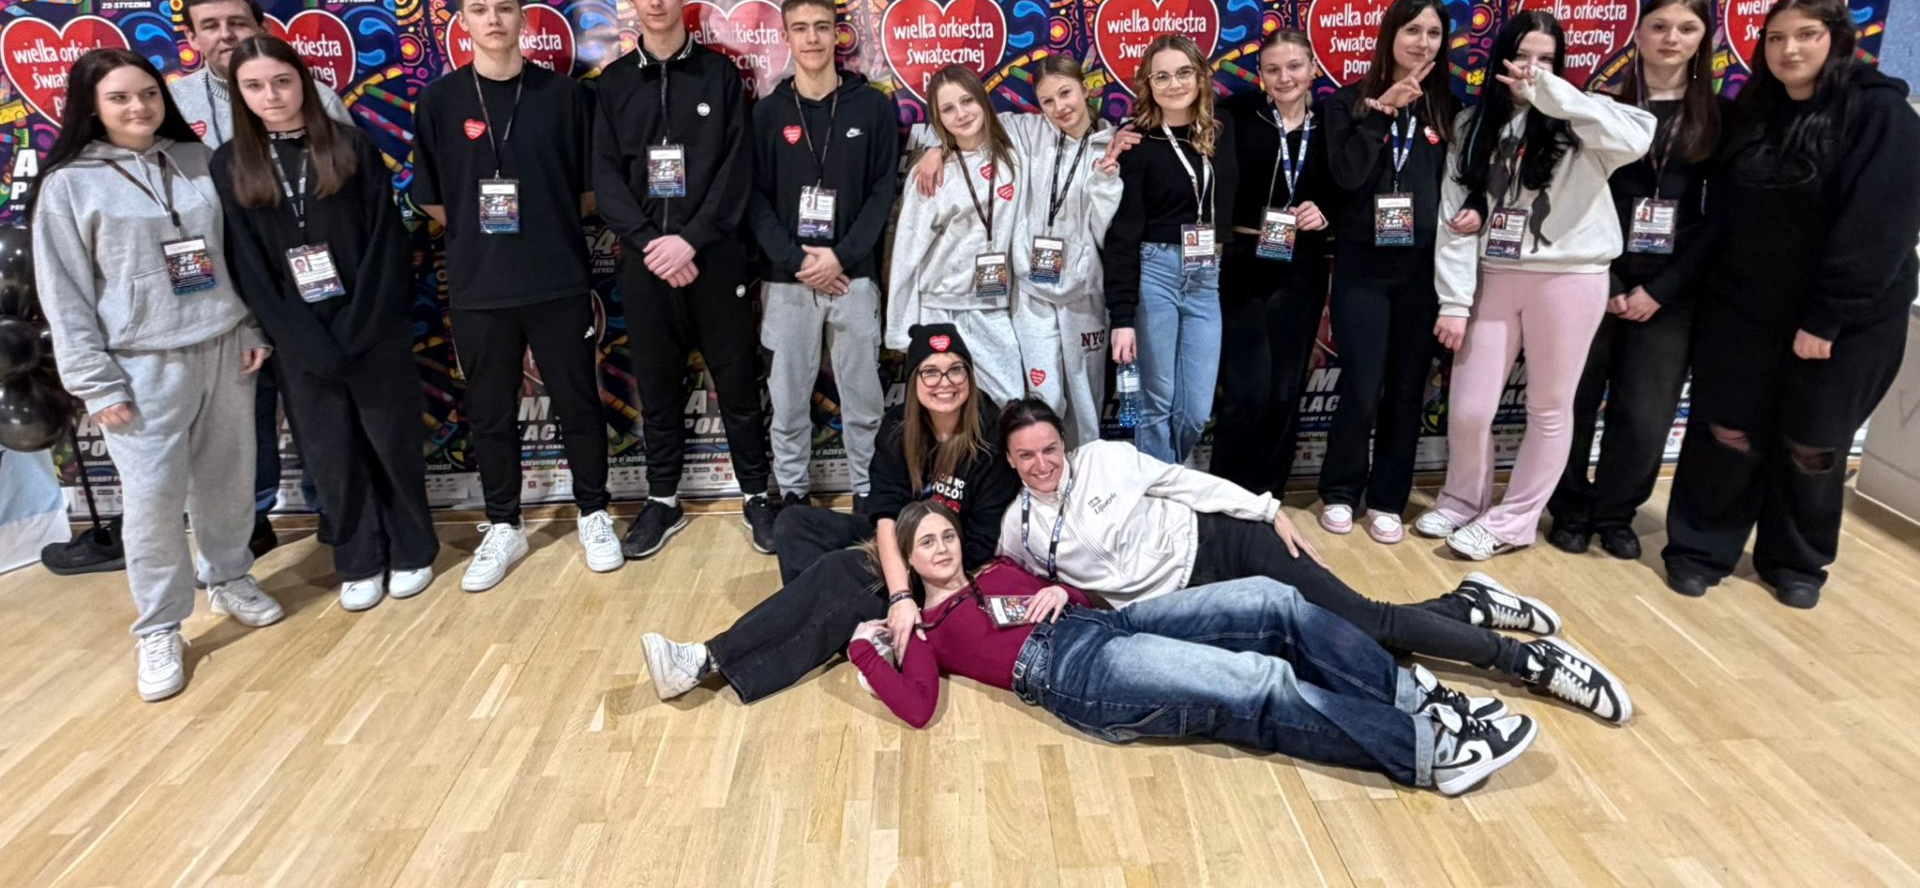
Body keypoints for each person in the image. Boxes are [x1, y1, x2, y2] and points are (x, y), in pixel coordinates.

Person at [996, 397, 1633, 723]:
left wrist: (1266, 509)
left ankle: (1524, 660)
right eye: (1027, 456)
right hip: (1185, 605)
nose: (1043, 464)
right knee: (1338, 649)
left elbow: (1187, 484)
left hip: (1225, 543)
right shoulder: (1017, 528)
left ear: (1064, 442)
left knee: (1369, 623)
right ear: (1011, 461)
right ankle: (1468, 604)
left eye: (1050, 449)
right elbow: (1015, 582)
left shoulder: (1105, 458)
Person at [850, 501, 1538, 797]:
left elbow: (1080, 595)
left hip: (1106, 625)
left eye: (946, 535)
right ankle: (1426, 751)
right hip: (1075, 670)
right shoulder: (924, 631)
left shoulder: (999, 569)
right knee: (1258, 681)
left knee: (1270, 597)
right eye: (926, 543)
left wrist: (1063, 591)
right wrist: (865, 650)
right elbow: (917, 706)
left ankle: (1416, 697)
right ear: (909, 559)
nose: (942, 548)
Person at [32, 48, 285, 701]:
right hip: (140, 365)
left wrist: (249, 326)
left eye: (147, 93)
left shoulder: (197, 159)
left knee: (228, 482)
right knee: (153, 502)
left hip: (223, 347)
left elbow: (235, 254)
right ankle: (159, 625)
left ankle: (228, 576)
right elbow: (64, 293)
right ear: (92, 107)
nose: (138, 107)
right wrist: (95, 382)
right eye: (119, 97)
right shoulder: (70, 185)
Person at [1663, 0, 1920, 608]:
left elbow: (1878, 227)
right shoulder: (1754, 112)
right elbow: (1724, 214)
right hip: (1744, 309)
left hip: (1846, 320)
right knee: (1727, 430)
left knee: (1812, 445)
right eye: (1776, 38)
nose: (1789, 50)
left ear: (1838, 39)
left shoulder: (1882, 115)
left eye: (1806, 35)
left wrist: (1827, 317)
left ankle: (1796, 560)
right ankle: (1700, 546)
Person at [640, 325, 1020, 705]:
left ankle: (705, 660)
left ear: (969, 375)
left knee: (843, 570)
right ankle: (866, 630)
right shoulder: (899, 426)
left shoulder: (990, 436)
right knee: (795, 524)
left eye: (955, 370)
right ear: (914, 380)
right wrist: (899, 590)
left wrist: (905, 586)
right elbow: (885, 514)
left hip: (944, 567)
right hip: (901, 547)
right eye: (930, 372)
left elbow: (978, 544)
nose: (945, 383)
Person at [1415, 13, 1655, 561]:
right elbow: (1454, 218)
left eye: (1546, 59)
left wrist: (1555, 95)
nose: (1531, 69)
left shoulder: (1583, 117)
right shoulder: (1473, 124)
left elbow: (1638, 137)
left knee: (1549, 408)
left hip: (1570, 277)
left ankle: (1515, 520)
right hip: (1496, 275)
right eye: (1523, 57)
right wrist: (1454, 300)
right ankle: (1462, 498)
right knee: (1470, 407)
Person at [211, 37, 439, 611]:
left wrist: (361, 325)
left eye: (282, 81)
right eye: (255, 86)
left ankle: (413, 548)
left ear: (303, 82)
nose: (271, 96)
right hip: (301, 340)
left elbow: (386, 240)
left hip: (371, 328)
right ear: (239, 94)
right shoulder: (230, 163)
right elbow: (247, 265)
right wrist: (302, 338)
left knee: (392, 443)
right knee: (331, 451)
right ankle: (359, 560)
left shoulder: (348, 145)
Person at [411, 0, 617, 591]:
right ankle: (504, 523)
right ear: (462, 22)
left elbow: (590, 191)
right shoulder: (440, 101)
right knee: (490, 411)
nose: (493, 20)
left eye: (503, 7)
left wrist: (541, 224)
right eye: (479, 10)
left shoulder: (565, 95)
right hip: (480, 285)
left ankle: (593, 511)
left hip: (557, 277)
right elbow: (433, 199)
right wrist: (486, 236)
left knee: (578, 403)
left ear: (523, 17)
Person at [595, 0, 776, 558]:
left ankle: (757, 495)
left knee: (738, 383)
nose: (655, 3)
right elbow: (606, 178)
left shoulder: (720, 75)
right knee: (657, 386)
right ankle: (663, 500)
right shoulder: (614, 83)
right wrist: (654, 244)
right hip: (646, 263)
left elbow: (735, 169)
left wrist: (690, 239)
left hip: (714, 256)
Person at [176, 0, 351, 554]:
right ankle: (248, 521)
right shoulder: (173, 105)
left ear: (260, 27)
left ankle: (333, 506)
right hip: (220, 287)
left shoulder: (314, 97)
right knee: (239, 416)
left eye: (237, 22)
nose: (225, 35)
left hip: (305, 283)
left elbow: (349, 190)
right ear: (192, 38)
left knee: (319, 403)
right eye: (210, 26)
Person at [1549, 0, 1721, 557]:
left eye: (1686, 28)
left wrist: (1660, 290)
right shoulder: (1600, 105)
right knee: (1572, 401)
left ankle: (1615, 513)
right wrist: (1610, 280)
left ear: (1703, 39)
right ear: (1638, 32)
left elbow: (1721, 218)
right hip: (1594, 275)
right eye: (1660, 26)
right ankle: (1569, 507)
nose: (1671, 39)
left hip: (1671, 291)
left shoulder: (1718, 117)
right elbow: (1574, 194)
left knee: (1646, 415)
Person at [910, 55, 1125, 444]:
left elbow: (1107, 230)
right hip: (1031, 293)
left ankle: (1085, 477)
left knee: (1086, 403)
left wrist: (1106, 181)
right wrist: (936, 148)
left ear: (1086, 89)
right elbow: (967, 125)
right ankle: (1043, 472)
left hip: (1083, 294)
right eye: (1047, 100)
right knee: (1046, 400)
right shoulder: (1026, 131)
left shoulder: (1112, 146)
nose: (1060, 107)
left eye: (1066, 93)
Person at [748, 0, 899, 514]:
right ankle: (792, 495)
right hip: (786, 281)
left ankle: (868, 494)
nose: (811, 38)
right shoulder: (766, 114)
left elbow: (882, 191)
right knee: (788, 400)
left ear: (837, 34)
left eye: (821, 26)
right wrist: (799, 262)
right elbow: (753, 199)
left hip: (853, 277)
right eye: (800, 28)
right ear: (785, 37)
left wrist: (840, 256)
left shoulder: (872, 107)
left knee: (864, 399)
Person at [1318, 0, 1459, 541]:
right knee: (1361, 383)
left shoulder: (1449, 109)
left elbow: (1465, 184)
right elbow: (1347, 177)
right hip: (1363, 268)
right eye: (1412, 30)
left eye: (1433, 33)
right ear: (1390, 36)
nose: (1422, 42)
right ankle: (1339, 490)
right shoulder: (1346, 103)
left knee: (1406, 388)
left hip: (1422, 272)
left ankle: (1387, 498)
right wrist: (1382, 112)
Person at [1103, 34, 1238, 464]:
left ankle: (1170, 476)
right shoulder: (1137, 142)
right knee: (1155, 403)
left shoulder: (1221, 129)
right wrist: (1122, 317)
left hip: (1206, 277)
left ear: (1200, 77)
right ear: (1147, 83)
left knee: (1195, 410)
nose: (1174, 84)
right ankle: (1165, 490)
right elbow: (1122, 235)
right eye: (1161, 76)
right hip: (1155, 271)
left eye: (1183, 73)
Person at [1214, 30, 1332, 492]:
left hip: (1300, 265)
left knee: (1286, 389)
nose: (1285, 78)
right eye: (1273, 69)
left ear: (1313, 69)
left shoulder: (1331, 122)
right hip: (1242, 262)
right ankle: (1228, 495)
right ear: (1260, 74)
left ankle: (1270, 495)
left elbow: (1351, 184)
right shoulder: (1237, 114)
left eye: (1295, 66)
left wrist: (1326, 211)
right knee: (1246, 389)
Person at [886, 66, 1027, 403]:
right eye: (948, 109)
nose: (961, 114)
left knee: (1009, 402)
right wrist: (901, 329)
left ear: (982, 100)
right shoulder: (931, 174)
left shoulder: (1017, 154)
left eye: (967, 101)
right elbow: (907, 251)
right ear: (937, 118)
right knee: (944, 406)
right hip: (939, 309)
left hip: (992, 306)